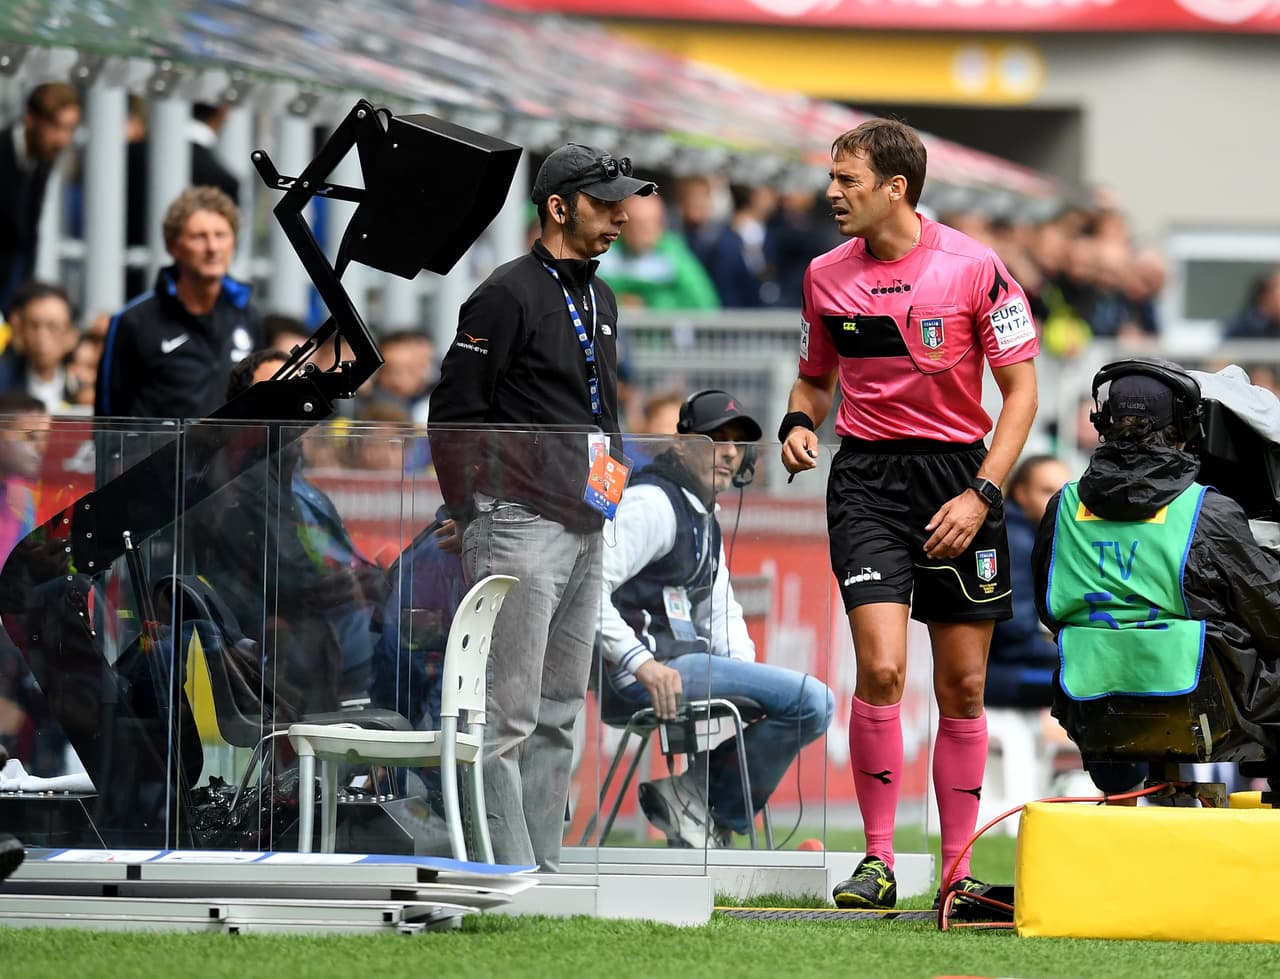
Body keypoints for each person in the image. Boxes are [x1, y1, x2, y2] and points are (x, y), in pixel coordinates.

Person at [777, 119, 1039, 910]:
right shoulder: (824, 275)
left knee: (963, 683)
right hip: (867, 481)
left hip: (961, 479)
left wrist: (981, 493)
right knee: (884, 668)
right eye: (832, 177)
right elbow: (815, 378)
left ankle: (956, 875)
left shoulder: (976, 267)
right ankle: (880, 862)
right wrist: (798, 421)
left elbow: (1022, 393)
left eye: (847, 180)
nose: (832, 193)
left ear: (896, 189)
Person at [427, 142, 656, 870]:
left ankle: (544, 871)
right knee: (509, 713)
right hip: (519, 522)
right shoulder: (504, 293)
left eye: (623, 203)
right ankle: (506, 870)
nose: (622, 216)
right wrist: (468, 511)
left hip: (585, 523)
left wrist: (607, 499)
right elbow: (453, 414)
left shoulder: (601, 296)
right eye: (605, 203)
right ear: (558, 207)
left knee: (558, 712)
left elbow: (602, 415)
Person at [1031, 359, 1280, 796]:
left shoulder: (1062, 507)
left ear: (1102, 423)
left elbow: (1048, 606)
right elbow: (1271, 615)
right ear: (1187, 427)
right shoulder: (1210, 511)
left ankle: (1130, 789)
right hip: (1208, 709)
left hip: (1093, 707)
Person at [600, 389, 834, 846]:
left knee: (803, 703)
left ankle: (697, 804)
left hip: (679, 667)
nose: (729, 453)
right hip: (644, 673)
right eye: (715, 439)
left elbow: (721, 610)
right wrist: (640, 663)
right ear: (681, 444)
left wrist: (745, 674)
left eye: (737, 443)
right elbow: (587, 587)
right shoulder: (653, 504)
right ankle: (696, 797)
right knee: (814, 703)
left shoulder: (702, 513)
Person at [95, 186, 261, 420]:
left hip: (230, 446)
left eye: (221, 235)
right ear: (174, 246)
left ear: (233, 242)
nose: (212, 248)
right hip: (158, 446)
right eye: (199, 237)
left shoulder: (248, 315)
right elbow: (108, 422)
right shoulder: (133, 321)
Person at [986, 454, 1071, 709]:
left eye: (1064, 493)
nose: (1058, 501)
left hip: (1010, 668)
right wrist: (1077, 651)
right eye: (1047, 491)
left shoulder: (1031, 535)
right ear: (1021, 494)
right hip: (1001, 675)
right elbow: (1014, 639)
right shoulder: (1017, 541)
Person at [0, 82, 81, 310]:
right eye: (56, 126)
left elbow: (29, 234)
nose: (63, 140)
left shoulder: (42, 159)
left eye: (70, 129)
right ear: (30, 118)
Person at [596, 193, 720, 310]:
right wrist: (619, 302)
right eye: (634, 223)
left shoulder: (675, 255)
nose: (640, 231)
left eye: (647, 223)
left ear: (660, 224)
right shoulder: (605, 251)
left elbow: (703, 303)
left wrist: (651, 305)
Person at [0, 281, 78, 412]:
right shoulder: (3, 383)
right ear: (21, 331)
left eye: (52, 327)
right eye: (34, 326)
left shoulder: (82, 390)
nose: (42, 337)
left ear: (70, 335)